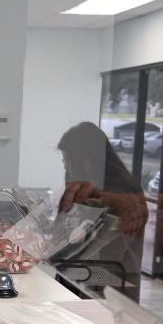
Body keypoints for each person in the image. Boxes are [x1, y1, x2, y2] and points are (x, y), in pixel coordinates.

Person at [56, 121, 148, 300]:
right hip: (80, 281)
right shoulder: (82, 186)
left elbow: (103, 250)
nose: (66, 165)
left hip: (108, 290)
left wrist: (59, 246)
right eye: (64, 159)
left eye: (68, 159)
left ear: (87, 159)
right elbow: (65, 226)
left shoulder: (122, 192)